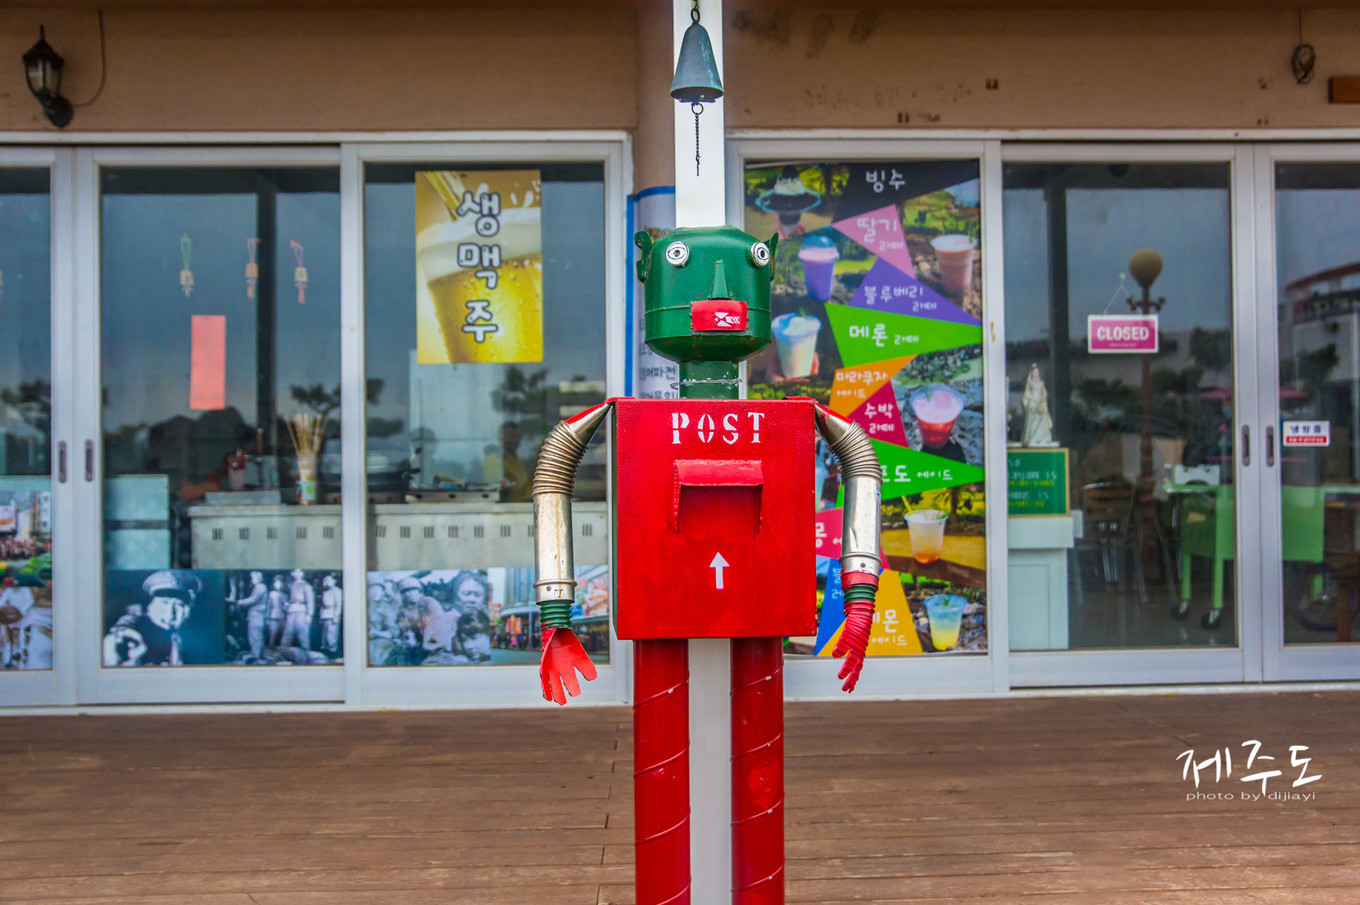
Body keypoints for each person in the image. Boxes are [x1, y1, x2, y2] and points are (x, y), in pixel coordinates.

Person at [102, 570, 200, 666]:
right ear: (150, 605)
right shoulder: (136, 624)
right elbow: (123, 630)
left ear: (189, 609)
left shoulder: (188, 635)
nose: (170, 614)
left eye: (178, 605)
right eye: (164, 603)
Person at [483, 421, 531, 503]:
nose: (514, 440)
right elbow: (496, 488)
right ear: (500, 438)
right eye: (511, 436)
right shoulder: (493, 459)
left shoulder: (519, 460)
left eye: (517, 436)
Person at [232, 570, 269, 661]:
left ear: (257, 578)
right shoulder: (259, 587)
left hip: (257, 614)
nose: (252, 580)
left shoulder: (260, 587)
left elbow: (253, 599)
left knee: (254, 634)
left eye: (253, 578)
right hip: (256, 614)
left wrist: (241, 602)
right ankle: (258, 653)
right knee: (257, 634)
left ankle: (255, 655)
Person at [0, 576, 34, 668]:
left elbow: (29, 601)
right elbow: (2, 601)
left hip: (24, 616)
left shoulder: (25, 590)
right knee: (11, 633)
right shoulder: (9, 591)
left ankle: (21, 649)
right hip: (12, 616)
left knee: (21, 633)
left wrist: (21, 612)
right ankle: (13, 651)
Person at [282, 569, 315, 649]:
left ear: (302, 573)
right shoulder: (290, 585)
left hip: (301, 611)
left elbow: (310, 601)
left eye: (299, 572)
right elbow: (289, 597)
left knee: (302, 632)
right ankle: (284, 651)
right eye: (295, 572)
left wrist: (309, 615)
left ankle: (305, 651)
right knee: (288, 631)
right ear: (292, 573)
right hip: (291, 610)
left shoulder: (306, 585)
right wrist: (287, 604)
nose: (297, 574)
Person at [319, 573, 342, 654]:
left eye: (328, 580)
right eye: (325, 580)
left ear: (334, 581)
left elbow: (338, 604)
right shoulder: (325, 591)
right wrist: (321, 616)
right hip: (325, 615)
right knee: (324, 635)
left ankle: (333, 651)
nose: (326, 582)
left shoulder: (337, 591)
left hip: (332, 615)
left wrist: (336, 616)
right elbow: (322, 605)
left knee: (331, 635)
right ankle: (326, 651)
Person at [266, 575, 288, 647]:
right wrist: (267, 618)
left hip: (282, 617)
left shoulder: (285, 595)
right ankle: (270, 648)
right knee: (272, 634)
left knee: (281, 634)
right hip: (273, 616)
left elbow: (286, 609)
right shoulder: (271, 594)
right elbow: (268, 607)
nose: (277, 585)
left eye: (279, 583)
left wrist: (286, 606)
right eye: (276, 583)